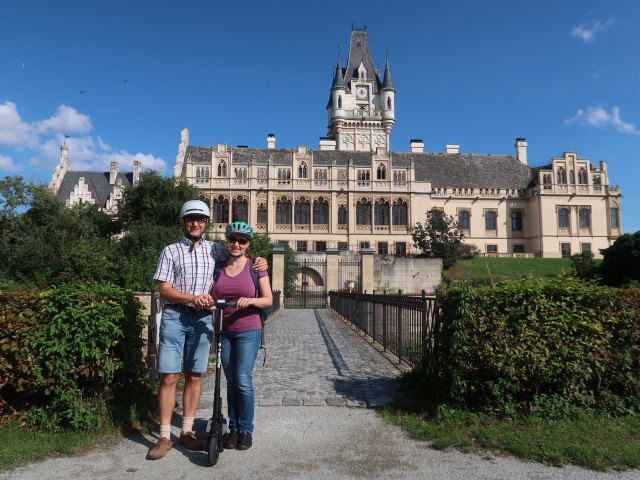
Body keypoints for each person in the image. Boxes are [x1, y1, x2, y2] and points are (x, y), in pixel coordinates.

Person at [148, 201, 266, 460]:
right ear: (184, 221)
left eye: (200, 219)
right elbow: (164, 290)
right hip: (175, 316)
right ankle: (165, 436)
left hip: (202, 319)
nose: (196, 223)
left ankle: (188, 432)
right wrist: (192, 298)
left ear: (206, 223)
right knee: (169, 376)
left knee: (194, 376)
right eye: (191, 219)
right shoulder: (171, 251)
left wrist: (260, 261)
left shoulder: (216, 250)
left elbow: (240, 257)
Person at [212, 221, 272, 451]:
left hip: (248, 329)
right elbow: (212, 293)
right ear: (227, 241)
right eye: (232, 240)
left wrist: (251, 301)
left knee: (243, 381)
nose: (236, 244)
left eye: (242, 241)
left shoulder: (256, 267)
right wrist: (208, 302)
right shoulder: (219, 267)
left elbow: (268, 299)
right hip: (225, 330)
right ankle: (234, 428)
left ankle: (246, 429)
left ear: (248, 244)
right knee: (231, 382)